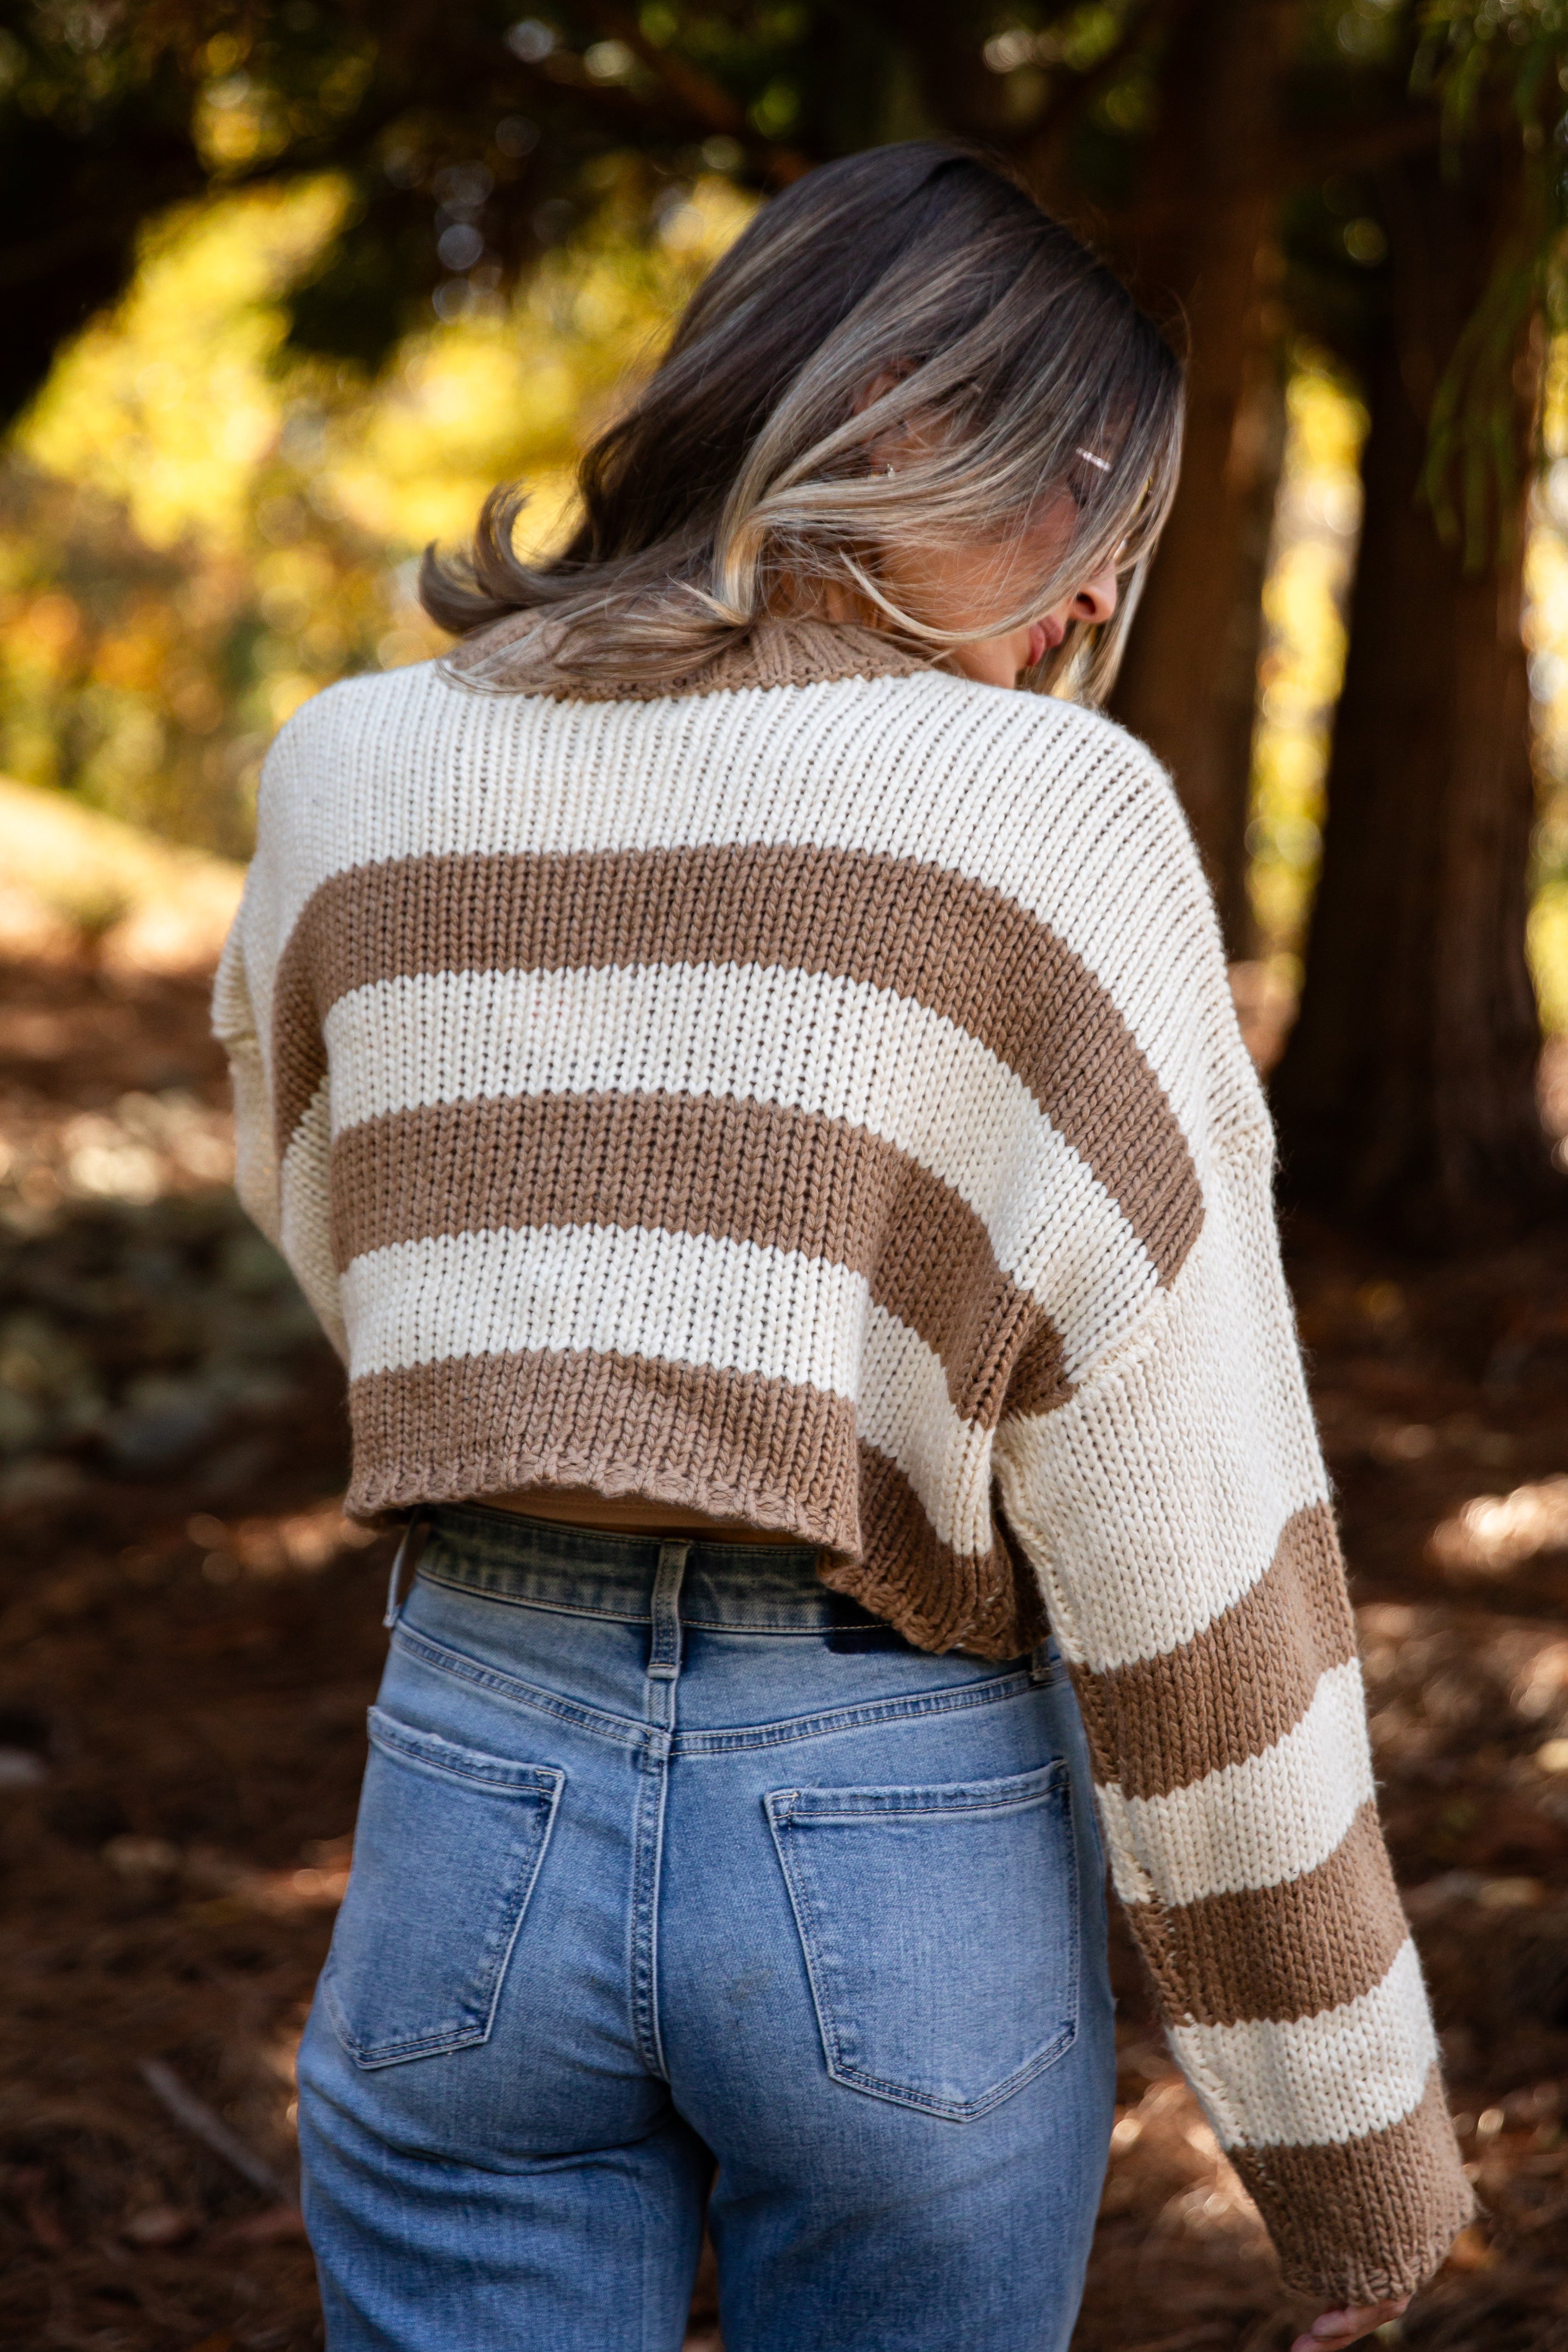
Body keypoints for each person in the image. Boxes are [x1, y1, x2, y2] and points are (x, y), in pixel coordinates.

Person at [214, 142, 1472, 2352]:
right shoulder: (1045, 822)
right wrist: (1347, 2144)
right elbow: (1189, 1523)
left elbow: (355, 1248)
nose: (1095, 597)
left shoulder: (350, 772)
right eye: (1082, 495)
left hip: (464, 1786)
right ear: (892, 410)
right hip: (898, 1830)